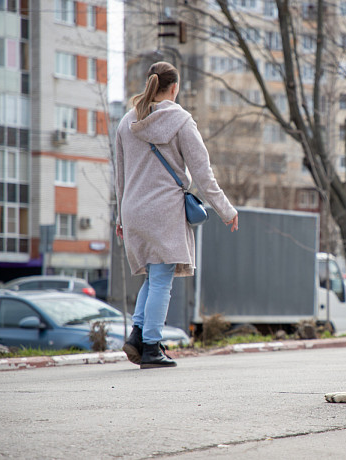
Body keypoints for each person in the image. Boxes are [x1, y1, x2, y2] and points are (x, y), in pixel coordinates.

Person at [114, 61, 239, 368]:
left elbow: (120, 176)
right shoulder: (181, 121)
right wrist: (226, 209)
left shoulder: (125, 123)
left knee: (154, 275)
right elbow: (202, 173)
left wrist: (120, 218)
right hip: (163, 210)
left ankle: (137, 336)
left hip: (132, 210)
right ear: (174, 88)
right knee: (161, 280)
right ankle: (153, 346)